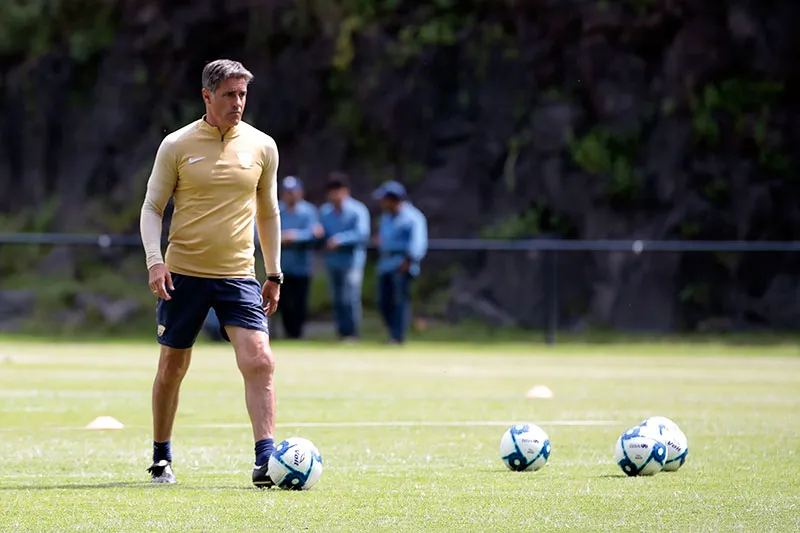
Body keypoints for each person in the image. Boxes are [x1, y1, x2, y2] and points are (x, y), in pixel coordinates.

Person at [139, 59, 283, 488]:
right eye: (229, 95)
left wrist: (274, 273)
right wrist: (155, 260)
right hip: (183, 274)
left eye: (243, 94)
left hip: (238, 275)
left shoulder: (262, 146)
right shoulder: (177, 145)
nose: (238, 102)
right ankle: (161, 455)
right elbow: (152, 208)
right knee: (172, 367)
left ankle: (265, 459)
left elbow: (269, 212)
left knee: (260, 360)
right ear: (207, 96)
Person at [373, 181, 428, 344]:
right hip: (385, 265)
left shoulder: (413, 217)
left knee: (400, 302)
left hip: (402, 264)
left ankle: (397, 337)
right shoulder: (386, 217)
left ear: (394, 199)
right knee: (383, 301)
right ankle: (392, 333)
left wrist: (409, 260)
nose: (381, 203)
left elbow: (418, 242)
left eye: (384, 199)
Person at [319, 173, 370, 341]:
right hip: (332, 262)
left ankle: (352, 333)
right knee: (337, 299)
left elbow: (362, 234)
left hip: (352, 262)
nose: (335, 195)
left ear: (346, 191)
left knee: (350, 298)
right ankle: (341, 333)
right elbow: (320, 233)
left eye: (338, 191)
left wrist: (340, 240)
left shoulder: (358, 210)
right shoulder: (325, 212)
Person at [278, 175, 323, 339]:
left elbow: (315, 233)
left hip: (302, 266)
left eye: (293, 192)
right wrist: (281, 238)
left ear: (300, 192)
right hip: (281, 265)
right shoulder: (277, 209)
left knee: (300, 301)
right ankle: (287, 332)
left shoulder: (309, 211)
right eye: (287, 192)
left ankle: (298, 333)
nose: (290, 195)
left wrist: (295, 236)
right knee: (284, 301)